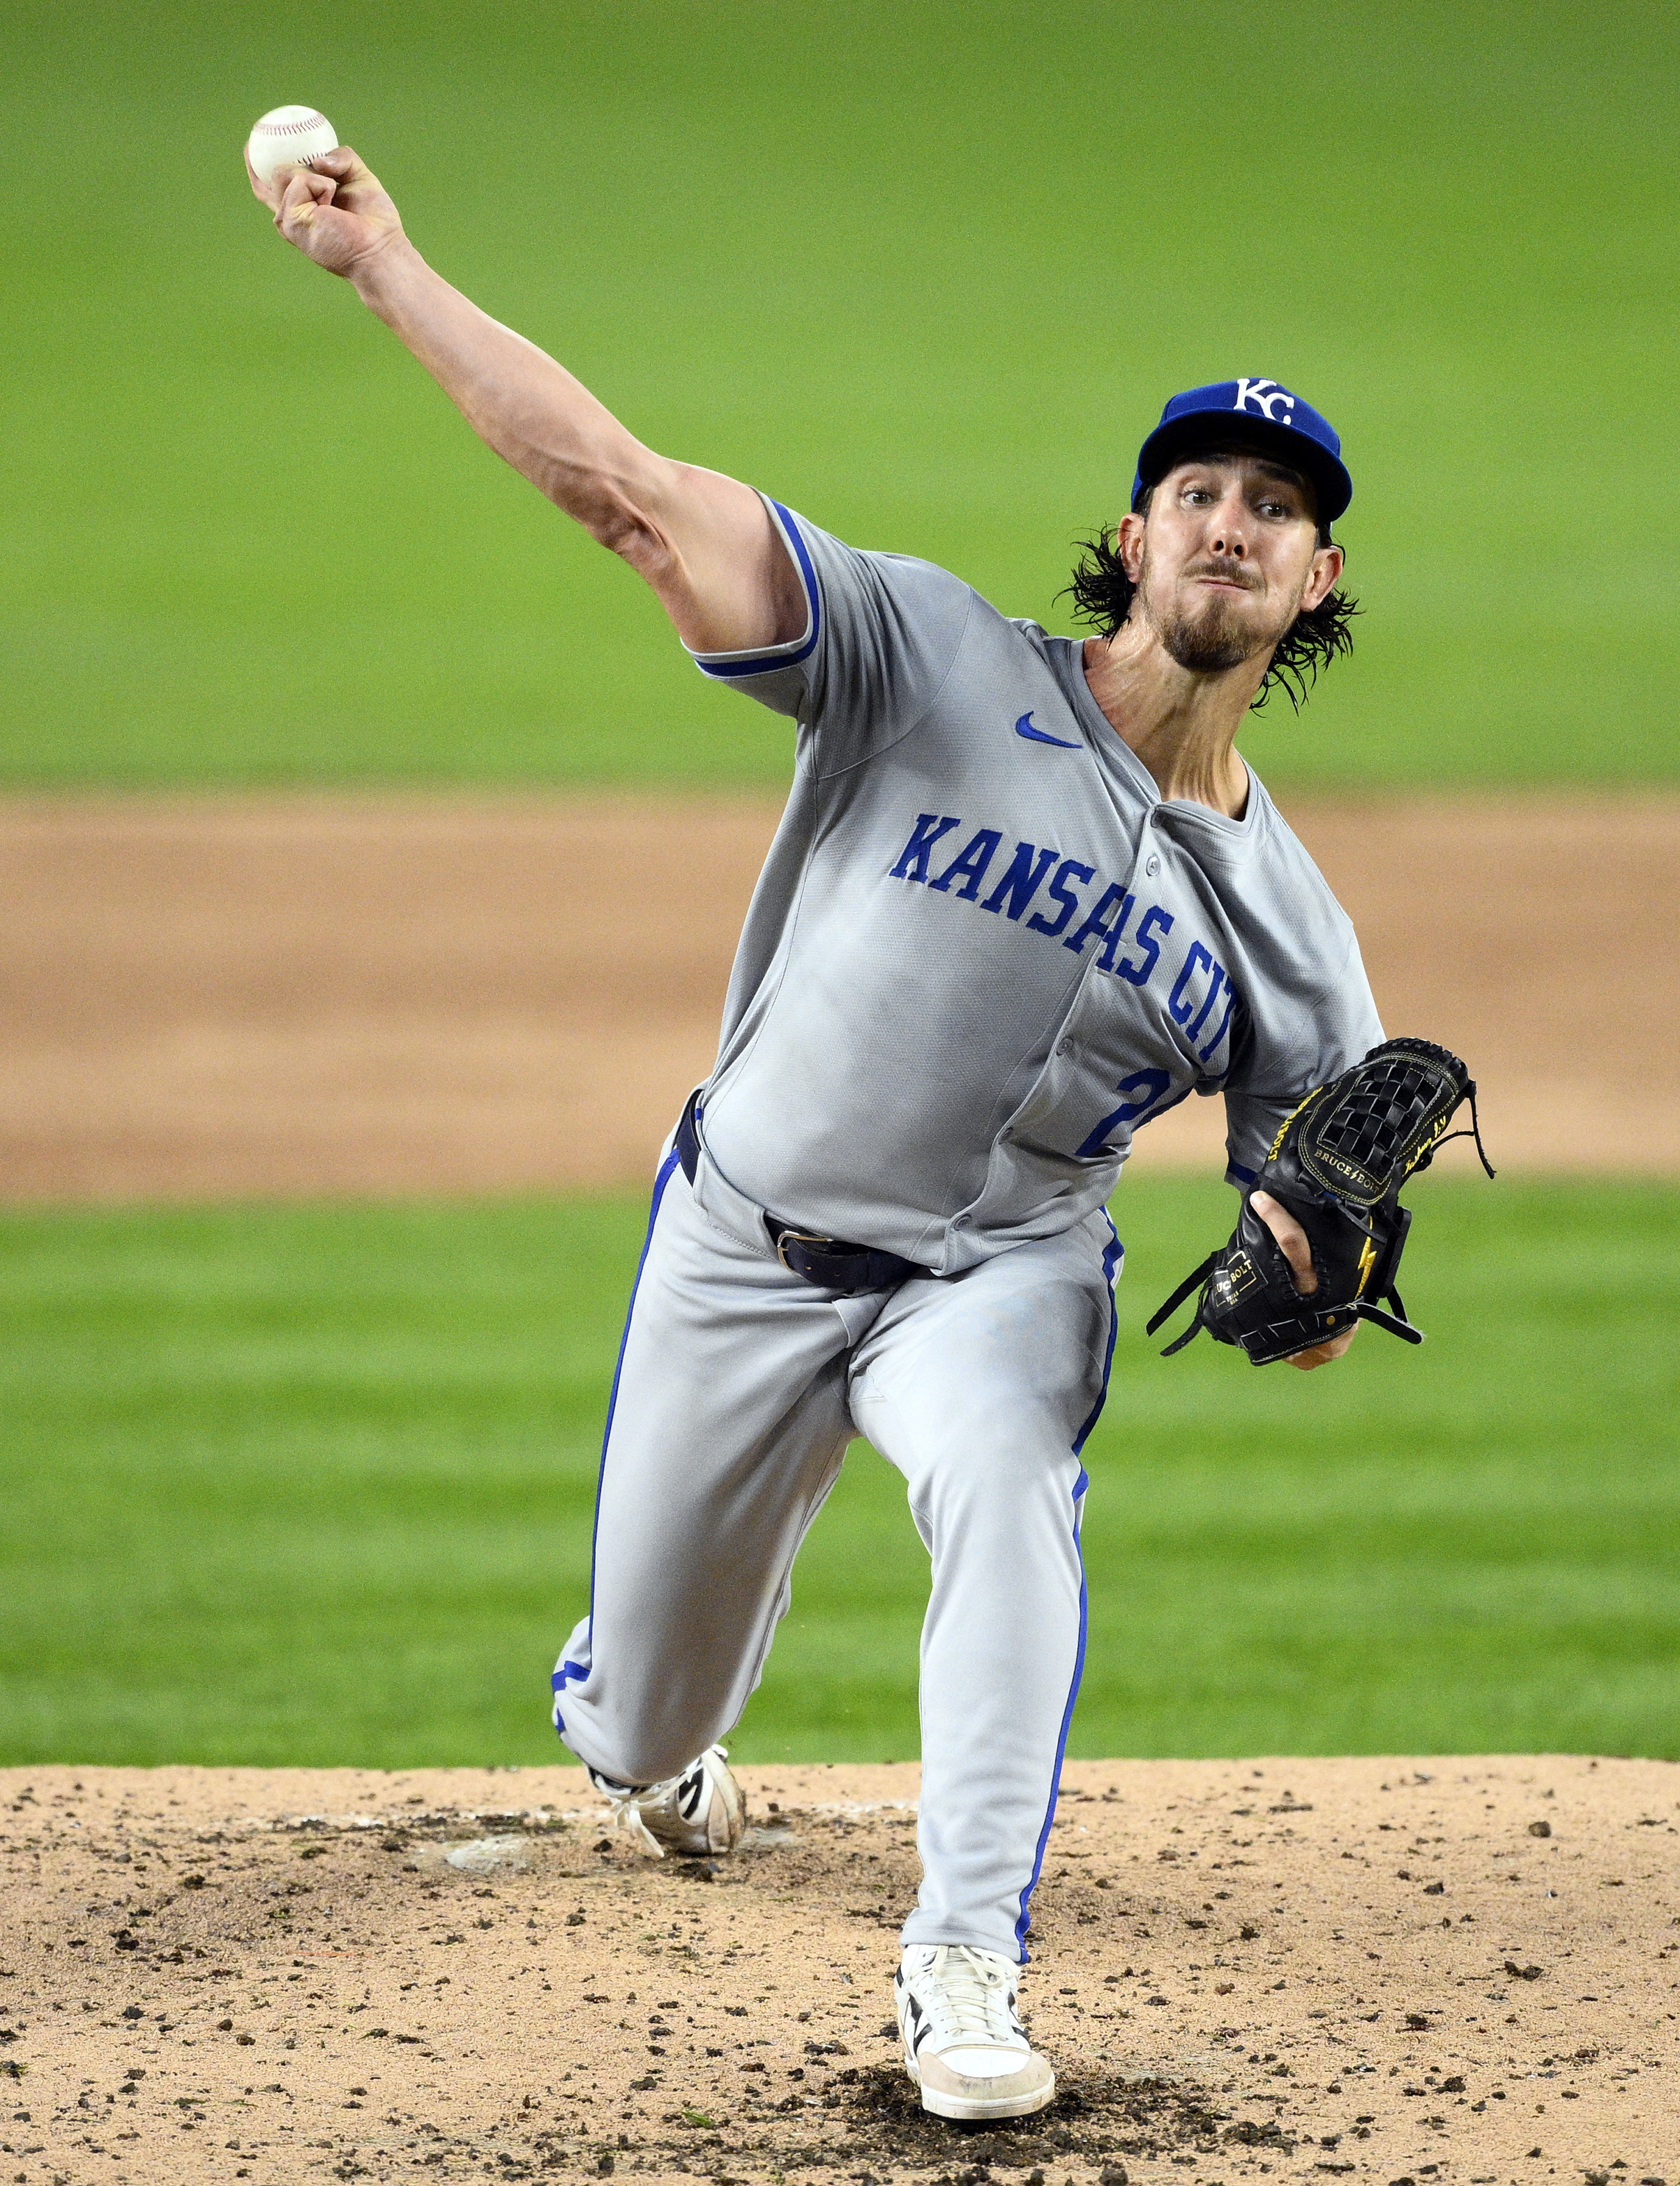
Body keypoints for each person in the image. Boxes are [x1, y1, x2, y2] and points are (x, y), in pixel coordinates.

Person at [254, 139, 1385, 2124]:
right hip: (745, 1243)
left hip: (1004, 1276)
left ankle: (961, 1957)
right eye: (1198, 489)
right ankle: (661, 1730)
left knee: (1010, 1494)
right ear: (1131, 536)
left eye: (1272, 507)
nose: (1231, 521)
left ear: (1315, 579)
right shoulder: (925, 657)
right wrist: (387, 266)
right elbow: (624, 493)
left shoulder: (1298, 942)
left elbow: (1305, 1250)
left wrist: (1306, 1278)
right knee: (636, 1735)